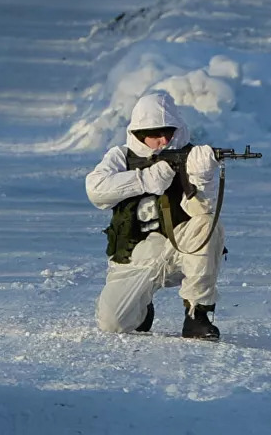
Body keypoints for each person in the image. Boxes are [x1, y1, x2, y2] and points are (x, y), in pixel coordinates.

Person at [85, 91, 223, 340]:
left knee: (207, 224)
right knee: (113, 323)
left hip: (177, 248)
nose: (162, 141)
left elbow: (203, 213)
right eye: (153, 134)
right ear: (139, 133)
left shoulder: (190, 157)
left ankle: (197, 313)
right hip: (134, 255)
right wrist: (145, 179)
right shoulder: (121, 157)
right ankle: (141, 306)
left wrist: (202, 178)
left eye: (167, 133)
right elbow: (96, 191)